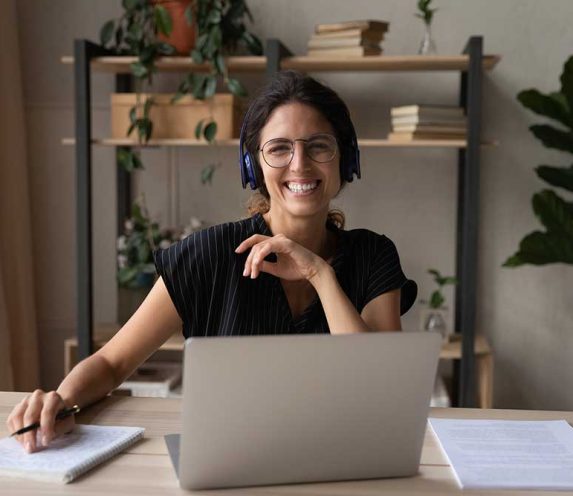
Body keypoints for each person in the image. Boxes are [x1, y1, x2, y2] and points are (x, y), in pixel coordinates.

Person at [6, 70, 416, 453]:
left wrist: (319, 273)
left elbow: (381, 388)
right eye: (279, 149)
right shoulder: (207, 255)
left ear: (345, 159)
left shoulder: (373, 255)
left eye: (318, 146)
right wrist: (61, 401)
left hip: (345, 462)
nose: (299, 164)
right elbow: (113, 362)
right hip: (230, 463)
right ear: (252, 164)